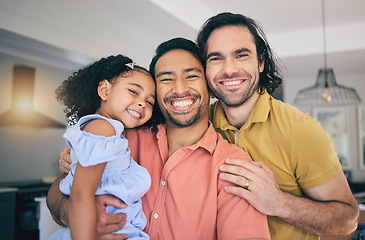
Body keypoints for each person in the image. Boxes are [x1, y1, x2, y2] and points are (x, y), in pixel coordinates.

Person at [47, 38, 270, 240]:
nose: (180, 89)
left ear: (210, 88)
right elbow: (64, 185)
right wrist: (70, 211)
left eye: (191, 76)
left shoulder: (233, 164)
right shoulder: (121, 136)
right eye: (166, 79)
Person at [196, 12, 359, 239]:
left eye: (241, 55)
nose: (229, 69)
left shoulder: (301, 130)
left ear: (261, 62)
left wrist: (279, 202)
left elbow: (348, 220)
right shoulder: (199, 126)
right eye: (215, 58)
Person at [49, 54, 158, 240]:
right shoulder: (102, 129)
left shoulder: (112, 132)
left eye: (150, 101)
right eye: (134, 91)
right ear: (104, 90)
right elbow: (81, 195)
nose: (142, 103)